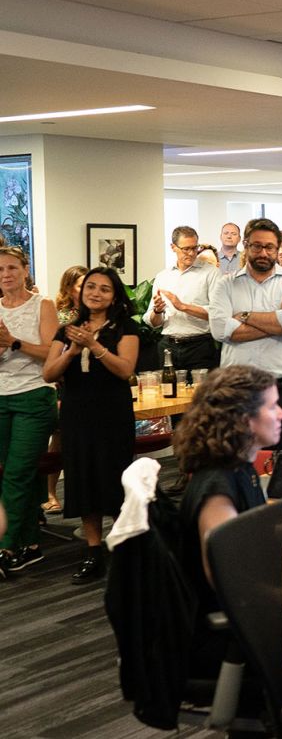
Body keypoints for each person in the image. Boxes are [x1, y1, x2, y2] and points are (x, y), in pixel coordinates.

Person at [176, 364, 279, 678]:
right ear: (246, 420)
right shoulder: (217, 488)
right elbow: (228, 579)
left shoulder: (240, 467)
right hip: (228, 639)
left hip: (249, 623)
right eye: (273, 407)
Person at [43, 266, 140, 582]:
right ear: (80, 293)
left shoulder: (124, 328)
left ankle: (127, 549)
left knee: (116, 479)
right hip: (77, 414)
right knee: (83, 480)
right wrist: (73, 350)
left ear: (114, 296)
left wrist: (96, 346)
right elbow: (49, 373)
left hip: (112, 413)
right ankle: (93, 553)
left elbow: (125, 370)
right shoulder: (67, 330)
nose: (96, 293)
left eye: (104, 289)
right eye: (90, 287)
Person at [207, 217, 282, 452]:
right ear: (246, 245)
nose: (263, 252)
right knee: (235, 461)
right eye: (256, 246)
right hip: (238, 391)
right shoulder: (225, 285)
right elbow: (220, 330)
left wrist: (243, 315)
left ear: (277, 248)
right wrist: (277, 316)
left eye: (269, 247)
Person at [0, 246, 58, 574]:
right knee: (12, 472)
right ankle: (32, 543)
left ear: (25, 269)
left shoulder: (43, 305)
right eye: (0, 270)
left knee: (17, 473)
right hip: (1, 398)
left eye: (11, 268)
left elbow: (52, 353)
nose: (5, 275)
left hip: (34, 396)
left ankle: (6, 547)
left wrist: (14, 343)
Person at [148, 226, 223, 372]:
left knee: (201, 394)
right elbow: (154, 323)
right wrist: (157, 311)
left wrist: (183, 306)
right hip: (167, 346)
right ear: (173, 247)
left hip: (199, 346)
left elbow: (218, 312)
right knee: (168, 392)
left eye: (195, 248)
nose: (191, 253)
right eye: (186, 249)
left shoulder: (211, 273)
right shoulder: (163, 276)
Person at [45, 265, 86, 514]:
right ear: (71, 289)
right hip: (63, 383)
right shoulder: (61, 317)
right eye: (83, 285)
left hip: (88, 384)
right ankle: (50, 492)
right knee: (58, 439)